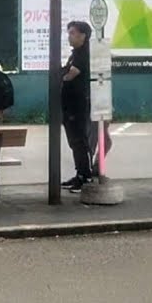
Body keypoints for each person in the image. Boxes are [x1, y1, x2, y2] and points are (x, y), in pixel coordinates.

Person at [61, 20, 94, 191]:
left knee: (79, 140)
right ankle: (79, 173)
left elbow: (70, 75)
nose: (69, 36)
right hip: (69, 105)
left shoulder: (84, 53)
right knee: (74, 141)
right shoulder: (75, 53)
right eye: (69, 33)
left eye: (72, 33)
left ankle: (85, 176)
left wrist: (62, 75)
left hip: (78, 104)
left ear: (83, 35)